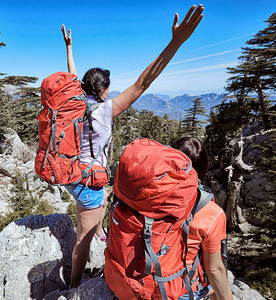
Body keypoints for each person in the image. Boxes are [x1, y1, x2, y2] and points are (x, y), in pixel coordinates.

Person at [61, 4, 205, 289]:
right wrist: (175, 43)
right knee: (83, 237)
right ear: (102, 90)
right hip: (88, 179)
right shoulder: (105, 111)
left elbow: (73, 75)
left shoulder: (75, 101)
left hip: (73, 170)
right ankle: (74, 283)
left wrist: (69, 48)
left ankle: (97, 229)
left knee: (98, 208)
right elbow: (143, 82)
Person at [171, 137, 233, 300]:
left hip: (134, 279)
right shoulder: (211, 211)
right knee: (215, 284)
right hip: (174, 289)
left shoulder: (143, 195)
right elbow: (214, 270)